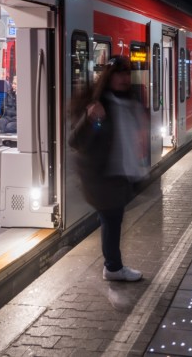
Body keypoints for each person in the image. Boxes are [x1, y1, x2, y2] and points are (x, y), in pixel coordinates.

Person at [68, 55, 146, 282]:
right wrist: (93, 120)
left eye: (127, 74)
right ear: (108, 77)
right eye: (119, 74)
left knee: (112, 219)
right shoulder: (98, 104)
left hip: (120, 173)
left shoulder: (127, 101)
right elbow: (76, 141)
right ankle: (113, 267)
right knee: (112, 219)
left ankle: (113, 265)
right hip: (102, 176)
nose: (124, 79)